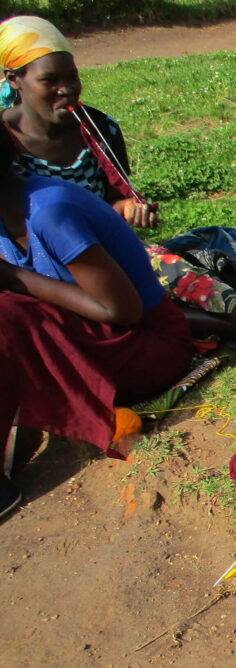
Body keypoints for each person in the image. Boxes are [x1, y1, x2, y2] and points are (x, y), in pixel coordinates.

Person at [0, 15, 236, 350]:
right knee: (126, 294)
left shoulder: (99, 129)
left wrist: (127, 207)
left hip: (102, 248)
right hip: (46, 261)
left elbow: (112, 202)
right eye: (50, 80)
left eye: (73, 77)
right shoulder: (5, 143)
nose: (66, 89)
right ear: (15, 80)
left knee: (154, 266)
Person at [0, 127, 194, 519]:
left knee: (6, 315)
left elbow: (123, 312)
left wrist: (12, 278)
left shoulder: (50, 212)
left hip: (150, 345)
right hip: (94, 340)